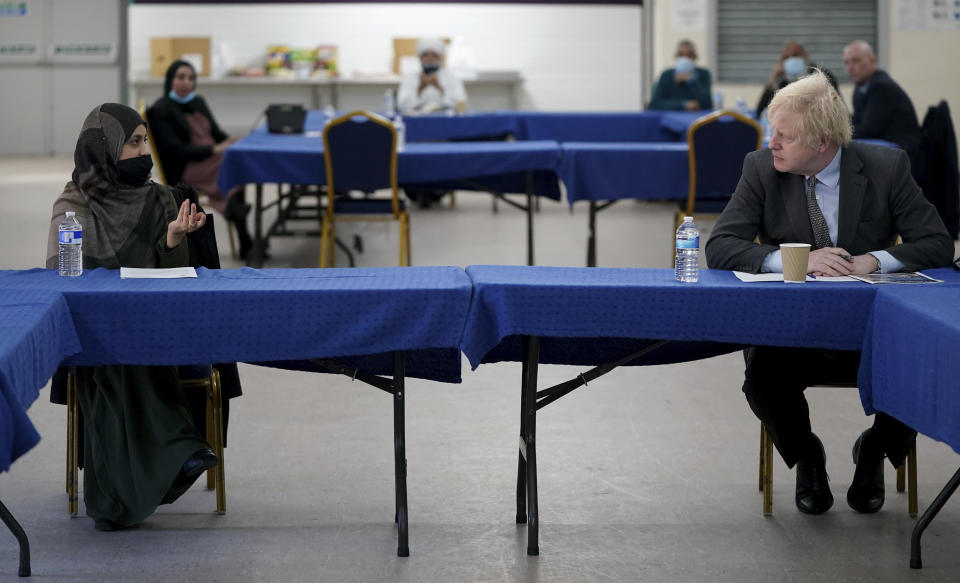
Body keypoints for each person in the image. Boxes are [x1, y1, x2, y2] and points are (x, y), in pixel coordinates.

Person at [705, 72, 953, 516]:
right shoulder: (761, 168)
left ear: (822, 142)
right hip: (793, 330)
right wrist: (796, 260)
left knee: (920, 363)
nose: (772, 142)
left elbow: (937, 243)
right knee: (762, 379)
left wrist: (873, 260)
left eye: (784, 135)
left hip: (873, 331)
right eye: (772, 131)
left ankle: (875, 450)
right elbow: (721, 246)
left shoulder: (885, 168)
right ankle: (808, 457)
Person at [46, 103, 221, 531]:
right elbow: (64, 273)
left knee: (129, 349)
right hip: (94, 330)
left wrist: (173, 238)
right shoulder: (73, 203)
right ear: (103, 149)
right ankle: (176, 450)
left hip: (154, 325)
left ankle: (117, 495)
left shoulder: (161, 198)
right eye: (134, 142)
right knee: (113, 355)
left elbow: (174, 277)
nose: (144, 152)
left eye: (146, 141)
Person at [147, 60, 252, 259]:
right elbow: (176, 151)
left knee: (234, 158)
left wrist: (229, 142)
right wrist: (214, 149)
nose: (186, 82)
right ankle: (241, 226)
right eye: (181, 77)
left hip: (210, 160)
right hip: (185, 167)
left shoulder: (198, 102)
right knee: (231, 164)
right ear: (170, 80)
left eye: (191, 78)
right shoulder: (160, 110)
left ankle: (237, 215)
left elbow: (216, 132)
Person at [843, 40, 924, 179]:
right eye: (846, 63)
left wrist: (837, 134)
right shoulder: (860, 88)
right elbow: (857, 121)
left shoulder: (881, 87)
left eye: (856, 61)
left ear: (872, 61)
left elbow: (869, 129)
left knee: (845, 148)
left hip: (900, 147)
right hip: (884, 141)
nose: (850, 67)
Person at [755, 42, 841, 120]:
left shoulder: (823, 76)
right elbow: (760, 113)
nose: (792, 59)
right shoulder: (783, 82)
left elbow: (838, 109)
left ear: (805, 56)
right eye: (786, 57)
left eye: (795, 55)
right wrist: (773, 78)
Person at [396, 38, 467, 115]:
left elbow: (461, 104)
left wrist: (438, 87)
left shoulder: (451, 78)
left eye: (434, 55)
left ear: (440, 57)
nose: (430, 59)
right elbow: (402, 106)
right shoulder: (410, 78)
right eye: (425, 55)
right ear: (420, 57)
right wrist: (420, 88)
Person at [648, 40, 712, 111]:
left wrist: (692, 81)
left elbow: (708, 103)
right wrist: (683, 105)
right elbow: (654, 104)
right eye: (681, 55)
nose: (685, 58)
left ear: (695, 57)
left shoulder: (703, 74)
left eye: (689, 55)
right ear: (676, 56)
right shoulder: (666, 75)